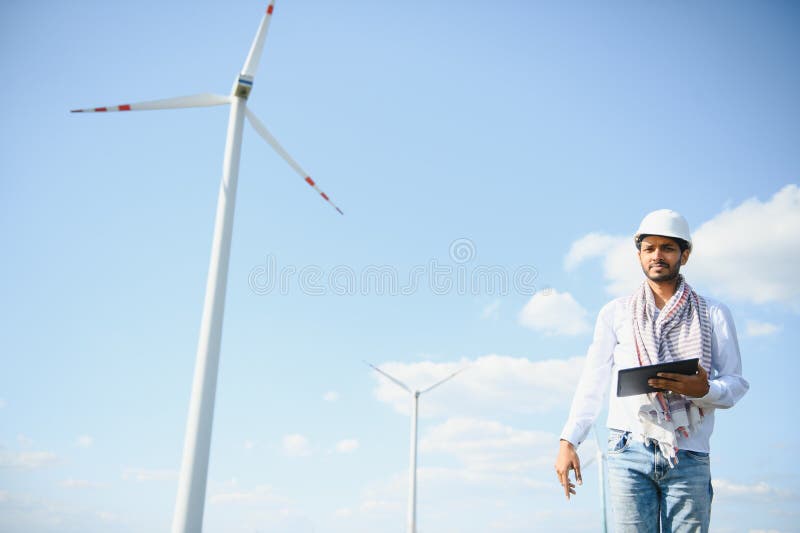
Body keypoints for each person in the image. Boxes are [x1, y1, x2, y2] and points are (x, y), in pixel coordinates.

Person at [554, 209, 749, 532]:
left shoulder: (714, 313)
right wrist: (568, 441)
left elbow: (736, 383)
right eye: (649, 248)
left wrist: (704, 390)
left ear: (684, 255)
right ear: (640, 255)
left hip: (689, 453)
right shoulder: (616, 313)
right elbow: (593, 381)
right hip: (627, 450)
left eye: (668, 248)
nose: (657, 256)